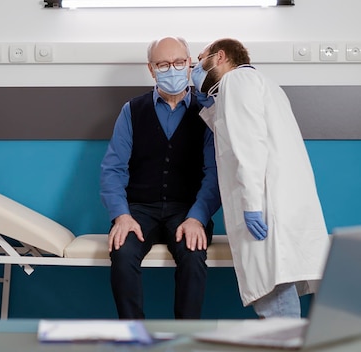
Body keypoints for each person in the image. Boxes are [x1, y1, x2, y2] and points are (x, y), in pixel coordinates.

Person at [192, 38, 330, 318]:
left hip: (265, 208)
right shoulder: (261, 83)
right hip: (283, 205)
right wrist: (210, 107)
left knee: (275, 300)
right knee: (279, 294)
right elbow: (241, 130)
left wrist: (252, 206)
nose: (196, 68)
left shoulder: (235, 82)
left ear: (219, 57)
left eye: (200, 59)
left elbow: (248, 147)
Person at [100, 37, 221, 320]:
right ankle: (134, 336)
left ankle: (185, 338)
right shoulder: (132, 110)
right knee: (122, 252)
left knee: (193, 255)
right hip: (139, 210)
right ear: (152, 69)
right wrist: (121, 216)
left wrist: (197, 218)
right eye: (164, 64)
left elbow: (214, 173)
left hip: (187, 211)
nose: (173, 69)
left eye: (179, 62)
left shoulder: (207, 112)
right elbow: (113, 169)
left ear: (190, 64)